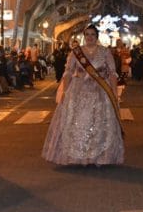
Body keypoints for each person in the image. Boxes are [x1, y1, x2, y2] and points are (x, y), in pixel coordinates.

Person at [42, 24, 124, 165]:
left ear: (97, 37)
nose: (90, 37)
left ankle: (98, 156)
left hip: (100, 91)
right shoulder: (76, 52)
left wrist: (114, 93)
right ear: (84, 37)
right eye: (87, 35)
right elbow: (68, 72)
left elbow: (112, 73)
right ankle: (78, 156)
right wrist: (65, 91)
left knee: (99, 122)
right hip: (78, 90)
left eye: (93, 34)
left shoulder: (105, 52)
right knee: (77, 122)